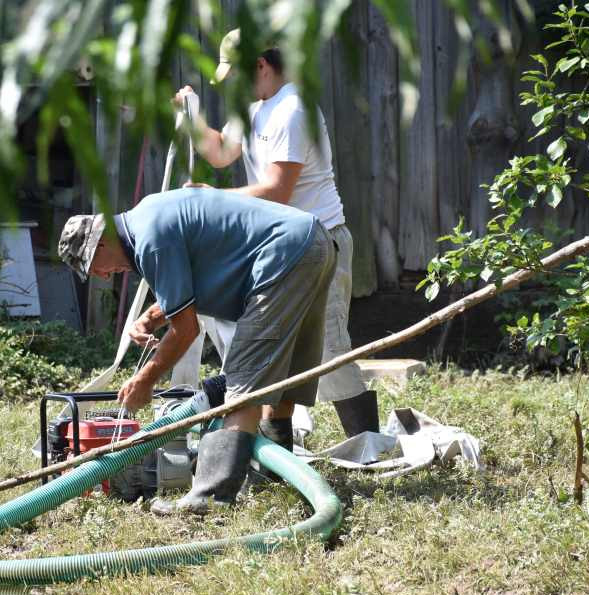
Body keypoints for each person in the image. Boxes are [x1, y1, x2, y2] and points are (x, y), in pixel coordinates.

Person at [57, 188, 337, 514]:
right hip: (312, 243)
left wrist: (144, 382)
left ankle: (207, 501)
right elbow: (188, 288)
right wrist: (149, 319)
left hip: (284, 256)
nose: (103, 275)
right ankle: (273, 482)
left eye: (95, 267)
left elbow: (186, 329)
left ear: (101, 240)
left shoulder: (151, 240)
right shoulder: (148, 222)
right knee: (285, 380)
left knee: (242, 387)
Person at [173, 29, 378, 448]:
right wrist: (189, 115)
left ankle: (369, 443)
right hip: (285, 248)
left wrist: (213, 199)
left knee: (330, 351)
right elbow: (220, 153)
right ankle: (276, 450)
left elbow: (276, 190)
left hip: (323, 242)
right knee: (276, 348)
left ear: (262, 65)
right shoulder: (255, 109)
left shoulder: (293, 110)